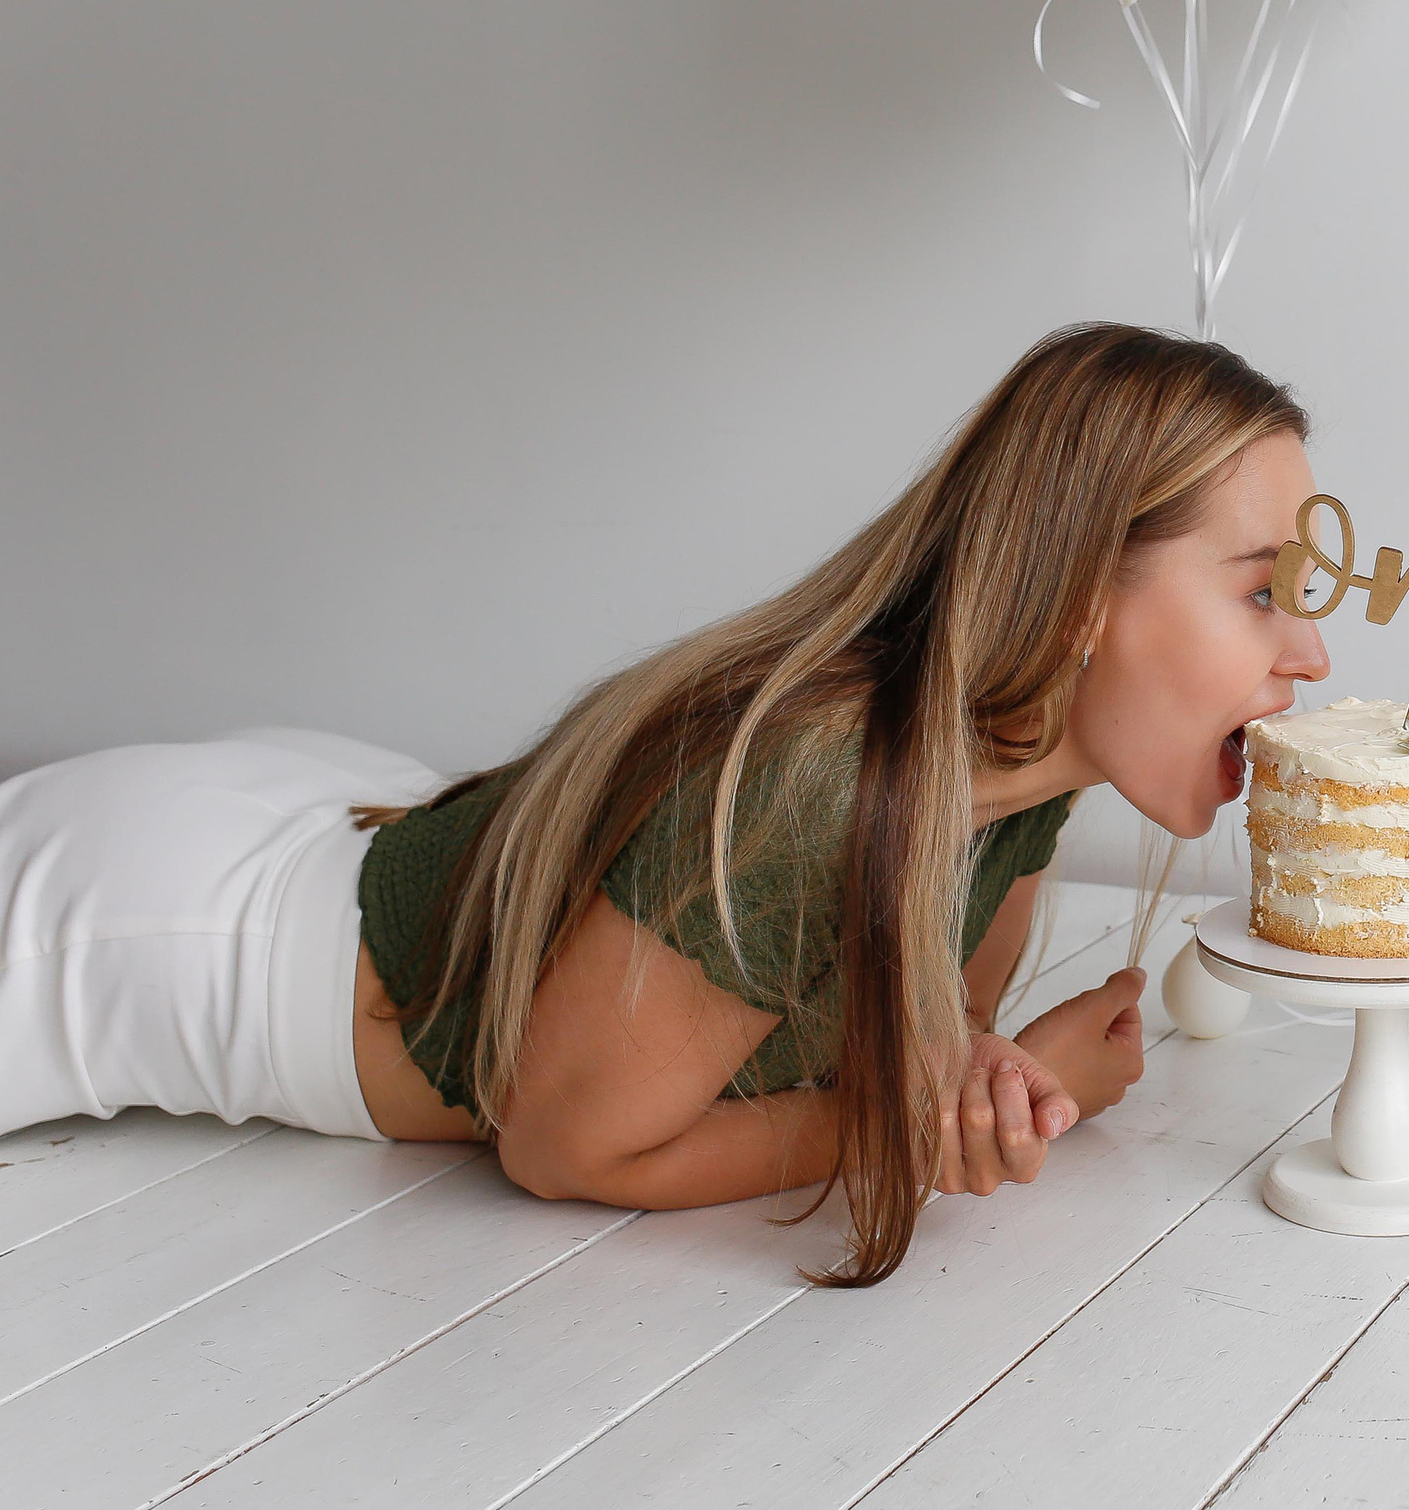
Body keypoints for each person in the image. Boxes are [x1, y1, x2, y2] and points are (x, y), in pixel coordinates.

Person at [0, 323, 1330, 1286]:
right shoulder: (812, 790)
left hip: (350, 815)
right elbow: (571, 1146)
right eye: (1262, 591)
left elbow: (909, 1032)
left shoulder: (1018, 776)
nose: (1312, 654)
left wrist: (995, 1073)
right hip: (172, 923)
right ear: (1085, 596)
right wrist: (912, 1128)